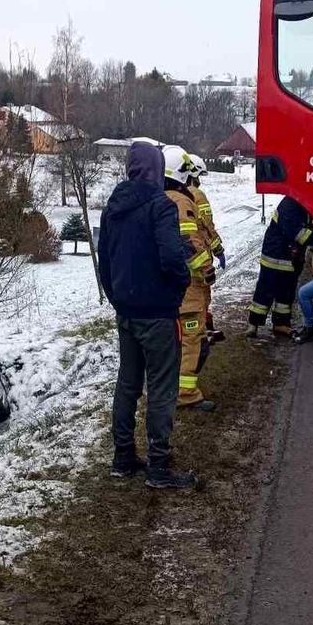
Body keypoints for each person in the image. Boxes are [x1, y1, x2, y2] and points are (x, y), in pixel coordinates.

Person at [99, 142, 196, 489]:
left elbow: (105, 263)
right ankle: (158, 466)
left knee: (127, 384)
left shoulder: (112, 208)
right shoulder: (161, 206)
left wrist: (118, 299)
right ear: (156, 169)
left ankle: (123, 458)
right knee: (162, 387)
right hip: (157, 313)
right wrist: (178, 288)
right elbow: (172, 259)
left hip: (126, 311)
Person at [163, 145, 218, 411]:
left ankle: (171, 388)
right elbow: (189, 240)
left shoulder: (161, 197)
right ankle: (185, 394)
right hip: (189, 284)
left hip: (169, 283)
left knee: (177, 340)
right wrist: (206, 268)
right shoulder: (182, 200)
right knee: (192, 337)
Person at [247, 197, 313, 338]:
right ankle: (253, 324)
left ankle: (281, 324)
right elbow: (299, 235)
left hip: (290, 257)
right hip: (275, 255)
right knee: (265, 290)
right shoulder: (290, 205)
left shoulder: (302, 205)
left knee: (286, 293)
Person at [187, 155, 225, 342]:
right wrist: (218, 249)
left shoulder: (168, 193)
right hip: (199, 253)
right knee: (201, 293)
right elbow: (207, 226)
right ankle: (201, 331)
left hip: (181, 256)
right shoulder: (197, 195)